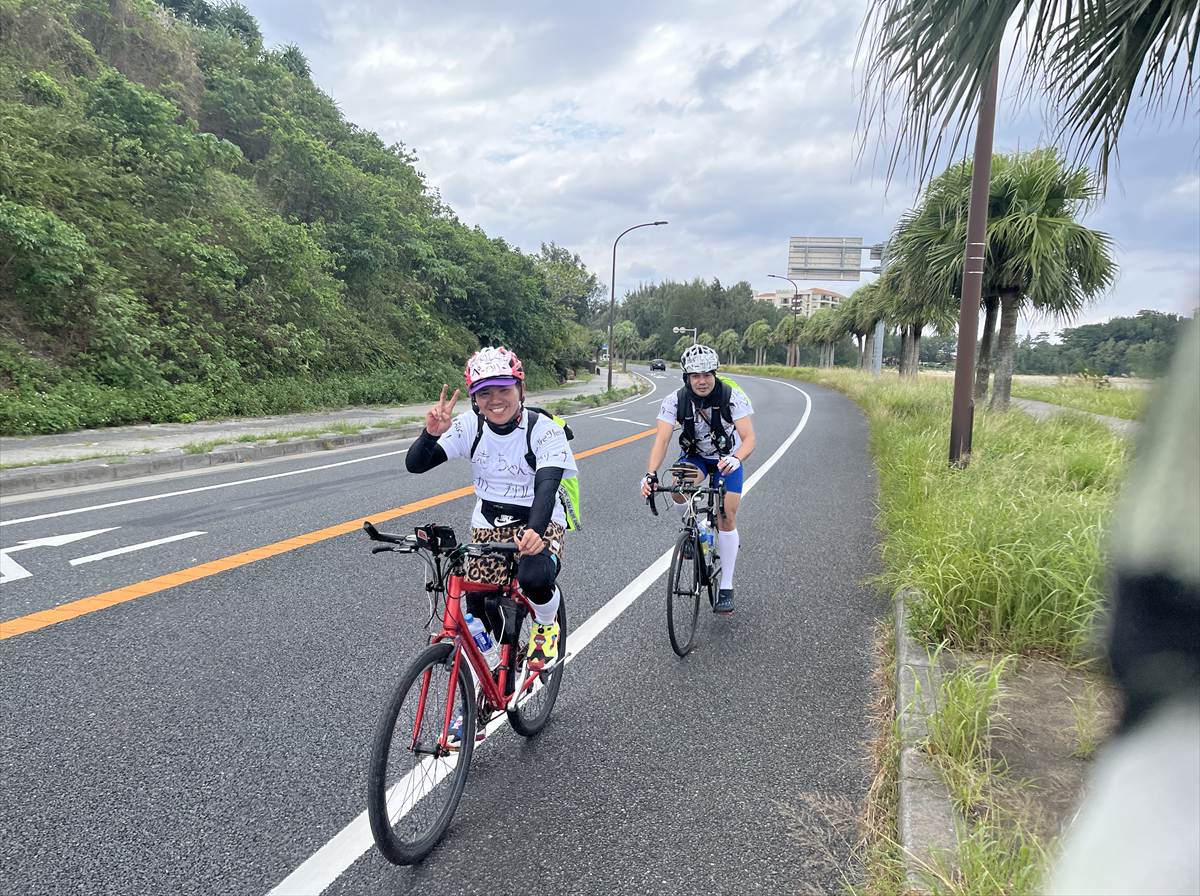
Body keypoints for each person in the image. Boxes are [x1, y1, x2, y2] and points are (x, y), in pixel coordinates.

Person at [405, 345, 574, 673]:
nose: (495, 400)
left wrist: (536, 532)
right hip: (489, 521)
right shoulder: (471, 426)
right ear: (474, 398)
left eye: (503, 389)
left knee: (534, 576)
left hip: (539, 517)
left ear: (520, 389)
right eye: (484, 393)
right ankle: (498, 668)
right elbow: (417, 464)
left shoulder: (545, 430)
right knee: (477, 602)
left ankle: (545, 624)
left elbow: (547, 485)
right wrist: (430, 435)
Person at [640, 343, 755, 614]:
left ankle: (726, 585)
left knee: (726, 515)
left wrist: (737, 458)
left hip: (727, 459)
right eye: (695, 376)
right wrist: (651, 473)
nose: (702, 381)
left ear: (714, 374)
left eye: (707, 375)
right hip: (697, 456)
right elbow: (662, 439)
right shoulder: (675, 401)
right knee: (678, 486)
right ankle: (694, 528)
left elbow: (749, 438)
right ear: (687, 377)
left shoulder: (732, 396)